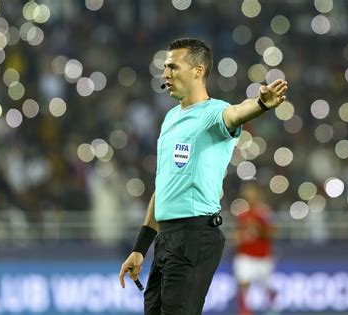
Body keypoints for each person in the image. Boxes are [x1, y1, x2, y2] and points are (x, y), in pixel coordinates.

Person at [118, 38, 288, 315]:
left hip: (194, 234)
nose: (166, 74)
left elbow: (236, 113)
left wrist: (261, 104)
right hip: (167, 237)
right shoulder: (171, 118)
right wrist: (140, 248)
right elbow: (163, 186)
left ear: (198, 71)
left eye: (173, 67)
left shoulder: (213, 113)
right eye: (165, 67)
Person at [233, 182, 277, 315]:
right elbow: (239, 234)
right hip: (245, 254)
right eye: (247, 192)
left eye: (251, 192)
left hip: (262, 256)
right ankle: (245, 311)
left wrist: (258, 228)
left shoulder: (264, 212)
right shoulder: (241, 212)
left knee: (266, 287)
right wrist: (237, 239)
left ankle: (272, 305)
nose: (249, 195)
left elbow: (272, 233)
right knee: (243, 283)